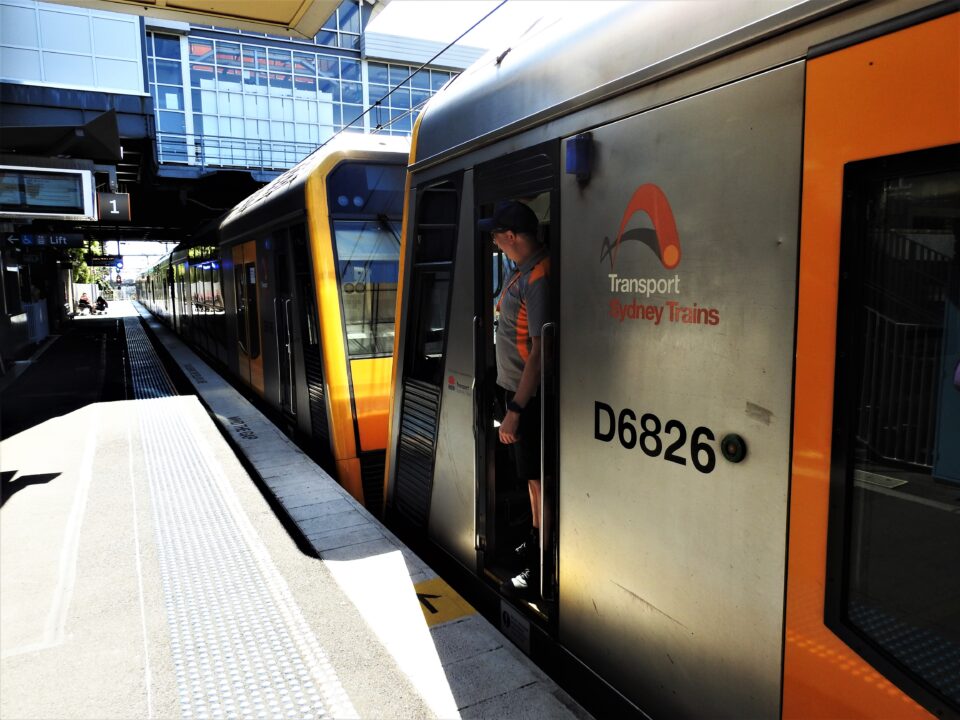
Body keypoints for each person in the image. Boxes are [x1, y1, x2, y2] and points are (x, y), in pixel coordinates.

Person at [479, 200, 550, 600]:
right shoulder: (522, 272)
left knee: (538, 483)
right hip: (515, 391)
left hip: (529, 398)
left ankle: (540, 568)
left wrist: (516, 411)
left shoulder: (538, 278)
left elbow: (539, 351)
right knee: (530, 481)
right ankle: (534, 539)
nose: (494, 241)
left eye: (496, 234)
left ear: (512, 236)